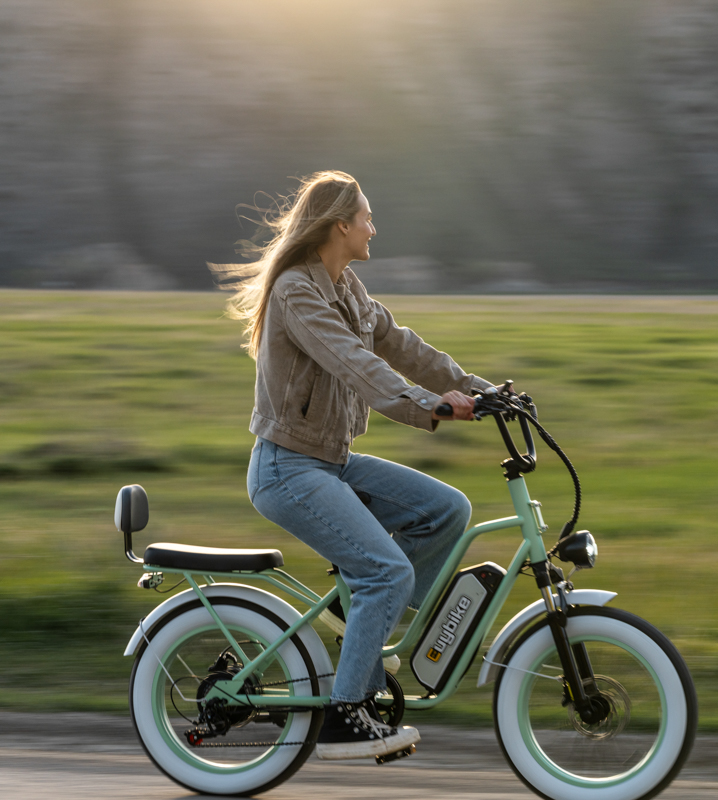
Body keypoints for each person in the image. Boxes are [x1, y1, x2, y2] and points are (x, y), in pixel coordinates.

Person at [212, 170, 492, 760]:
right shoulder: (297, 291)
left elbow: (404, 345)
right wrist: (428, 404)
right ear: (340, 225)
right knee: (387, 571)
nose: (373, 226)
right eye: (366, 216)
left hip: (331, 462)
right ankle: (347, 711)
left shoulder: (350, 288)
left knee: (447, 510)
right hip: (288, 469)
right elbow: (351, 360)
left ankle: (361, 614)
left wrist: (479, 390)